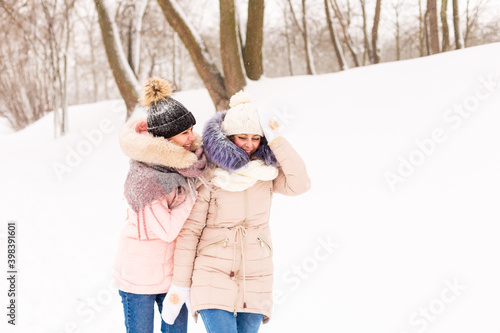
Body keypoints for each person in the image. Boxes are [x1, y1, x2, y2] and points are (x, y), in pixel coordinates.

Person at [161, 91, 311, 332]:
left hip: (256, 275)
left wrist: (276, 139)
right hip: (212, 272)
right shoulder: (210, 175)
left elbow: (301, 184)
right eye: (242, 137)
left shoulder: (266, 174)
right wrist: (180, 285)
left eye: (256, 138)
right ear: (228, 137)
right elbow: (190, 233)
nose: (250, 145)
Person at [113, 77, 207, 333]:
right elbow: (166, 229)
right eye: (184, 133)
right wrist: (192, 196)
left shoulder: (188, 167)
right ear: (166, 138)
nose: (192, 138)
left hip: (173, 277)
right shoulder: (145, 180)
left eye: (191, 130)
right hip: (138, 279)